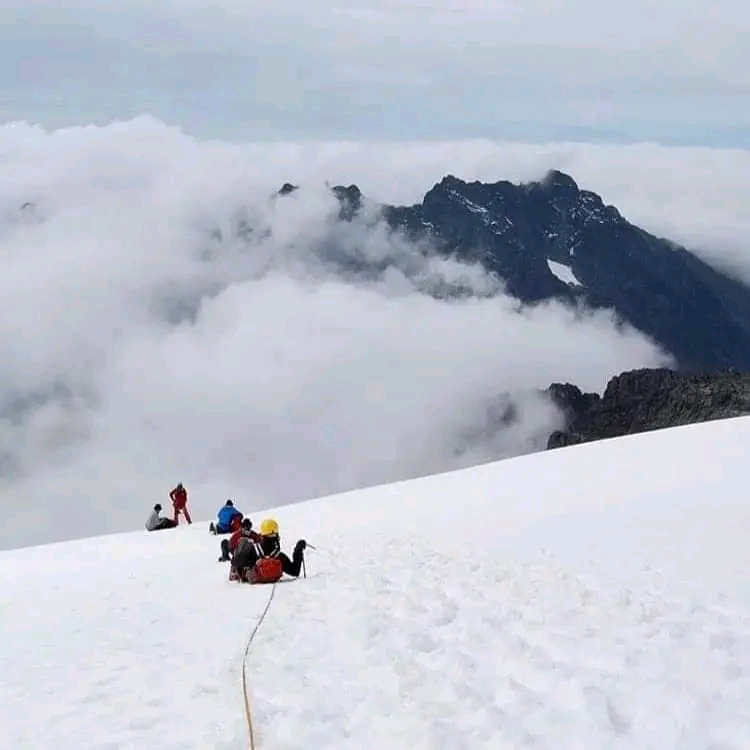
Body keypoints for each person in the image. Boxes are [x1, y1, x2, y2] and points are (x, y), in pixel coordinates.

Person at [230, 517, 307, 583]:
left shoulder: (252, 549)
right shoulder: (278, 556)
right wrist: (298, 551)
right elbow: (295, 571)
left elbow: (235, 562)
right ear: (275, 534)